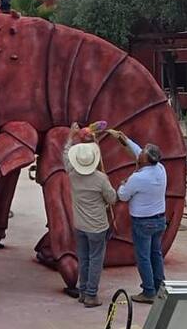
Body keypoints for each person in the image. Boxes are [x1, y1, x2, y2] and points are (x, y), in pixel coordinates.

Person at [113, 131, 167, 304]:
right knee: (155, 254)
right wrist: (126, 139)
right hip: (159, 219)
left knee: (143, 257)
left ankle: (148, 291)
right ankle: (160, 287)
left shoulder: (138, 177)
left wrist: (123, 184)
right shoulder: (159, 169)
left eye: (143, 151)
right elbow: (138, 152)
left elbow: (122, 196)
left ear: (144, 160)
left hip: (143, 222)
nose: (140, 151)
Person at [62, 138, 118, 308]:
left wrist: (71, 137)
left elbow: (65, 156)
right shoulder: (101, 179)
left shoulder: (71, 175)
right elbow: (112, 199)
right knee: (95, 260)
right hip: (97, 227)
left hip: (80, 226)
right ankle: (91, 295)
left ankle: (83, 291)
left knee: (84, 258)